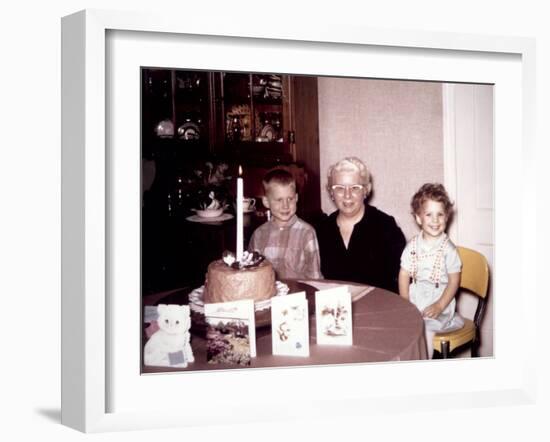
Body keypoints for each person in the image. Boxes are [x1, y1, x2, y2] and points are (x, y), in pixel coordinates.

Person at [316, 157, 406, 293]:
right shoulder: (321, 230)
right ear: (331, 192)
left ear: (366, 190)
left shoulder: (386, 227)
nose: (347, 195)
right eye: (339, 188)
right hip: (334, 310)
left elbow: (401, 282)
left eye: (355, 188)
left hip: (378, 309)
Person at [398, 183, 464, 358]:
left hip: (439, 300)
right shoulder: (412, 246)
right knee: (400, 327)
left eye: (440, 214)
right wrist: (405, 302)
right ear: (419, 218)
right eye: (429, 214)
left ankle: (424, 367)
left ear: (447, 217)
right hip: (415, 297)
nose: (435, 220)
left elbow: (454, 281)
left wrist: (440, 305)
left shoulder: (448, 249)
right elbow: (404, 274)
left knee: (425, 329)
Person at [248, 168, 323, 280]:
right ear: (266, 202)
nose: (286, 206)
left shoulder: (307, 233)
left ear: (296, 198)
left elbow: (315, 275)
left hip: (299, 294)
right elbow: (251, 273)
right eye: (279, 200)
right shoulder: (258, 234)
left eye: (290, 199)